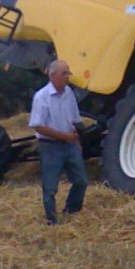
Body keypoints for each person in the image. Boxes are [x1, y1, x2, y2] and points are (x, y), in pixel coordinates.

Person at [28, 59, 88, 225]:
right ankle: (52, 220)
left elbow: (75, 120)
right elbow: (38, 126)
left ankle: (71, 211)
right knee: (50, 187)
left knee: (81, 181)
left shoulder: (69, 93)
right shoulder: (41, 97)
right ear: (52, 75)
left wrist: (77, 141)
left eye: (68, 73)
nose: (67, 76)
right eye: (64, 73)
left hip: (70, 144)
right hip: (50, 147)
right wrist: (63, 136)